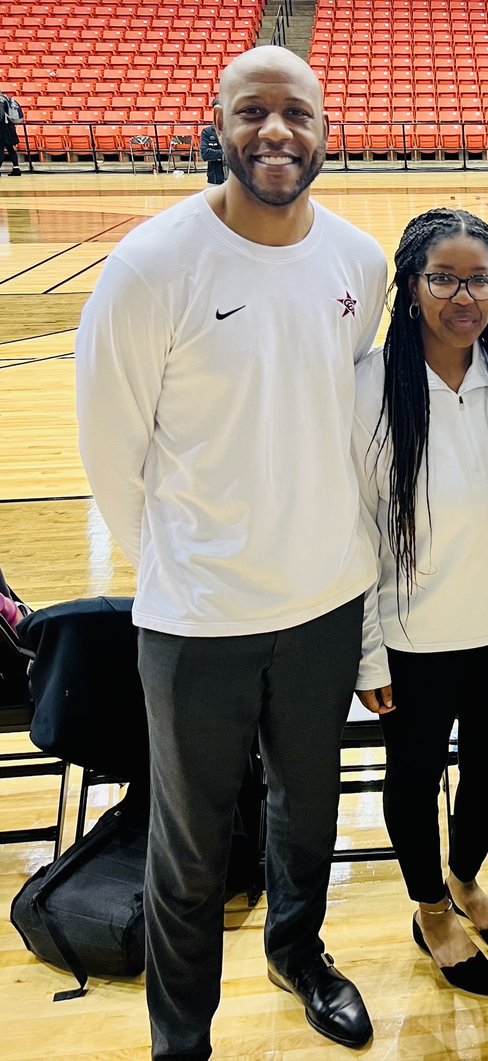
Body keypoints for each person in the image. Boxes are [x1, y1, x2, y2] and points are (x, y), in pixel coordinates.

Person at [75, 46, 387, 1058]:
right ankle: (182, 1032)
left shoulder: (359, 262)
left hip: (324, 606)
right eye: (252, 111)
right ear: (219, 122)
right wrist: (184, 564)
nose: (275, 132)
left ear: (324, 123)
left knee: (308, 815)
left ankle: (300, 952)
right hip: (197, 620)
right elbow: (111, 456)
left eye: (295, 111)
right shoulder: (151, 266)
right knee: (190, 842)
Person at [353, 208, 488, 998]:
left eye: (479, 279)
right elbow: (351, 524)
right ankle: (429, 907)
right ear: (411, 284)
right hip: (412, 635)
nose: (463, 296)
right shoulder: (368, 386)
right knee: (415, 774)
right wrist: (368, 647)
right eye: (443, 278)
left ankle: (465, 878)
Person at [200, 100, 224, 185]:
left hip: (234, 182)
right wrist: (225, 154)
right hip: (214, 180)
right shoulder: (207, 132)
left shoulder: (235, 130)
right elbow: (205, 154)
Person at [0, 89, 24, 175]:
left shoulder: (0, 101)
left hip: (2, 128)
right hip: (10, 128)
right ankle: (16, 169)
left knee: (0, 150)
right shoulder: (8, 99)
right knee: (10, 149)